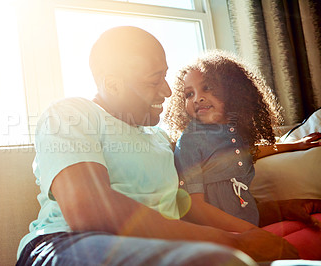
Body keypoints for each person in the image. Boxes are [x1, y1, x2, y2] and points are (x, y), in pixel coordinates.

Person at [16, 26, 300, 266]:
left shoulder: (160, 138)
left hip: (162, 245)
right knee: (216, 258)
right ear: (112, 85)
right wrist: (235, 242)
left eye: (165, 76)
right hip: (66, 244)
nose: (167, 90)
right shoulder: (71, 114)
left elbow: (194, 203)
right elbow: (90, 212)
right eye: (155, 80)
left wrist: (281, 210)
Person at [163, 50, 321, 260]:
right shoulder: (191, 141)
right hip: (226, 236)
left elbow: (253, 150)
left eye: (207, 88)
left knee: (315, 224)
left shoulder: (235, 132)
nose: (198, 98)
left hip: (251, 222)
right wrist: (252, 233)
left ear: (233, 91)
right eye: (188, 94)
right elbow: (194, 207)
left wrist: (294, 145)